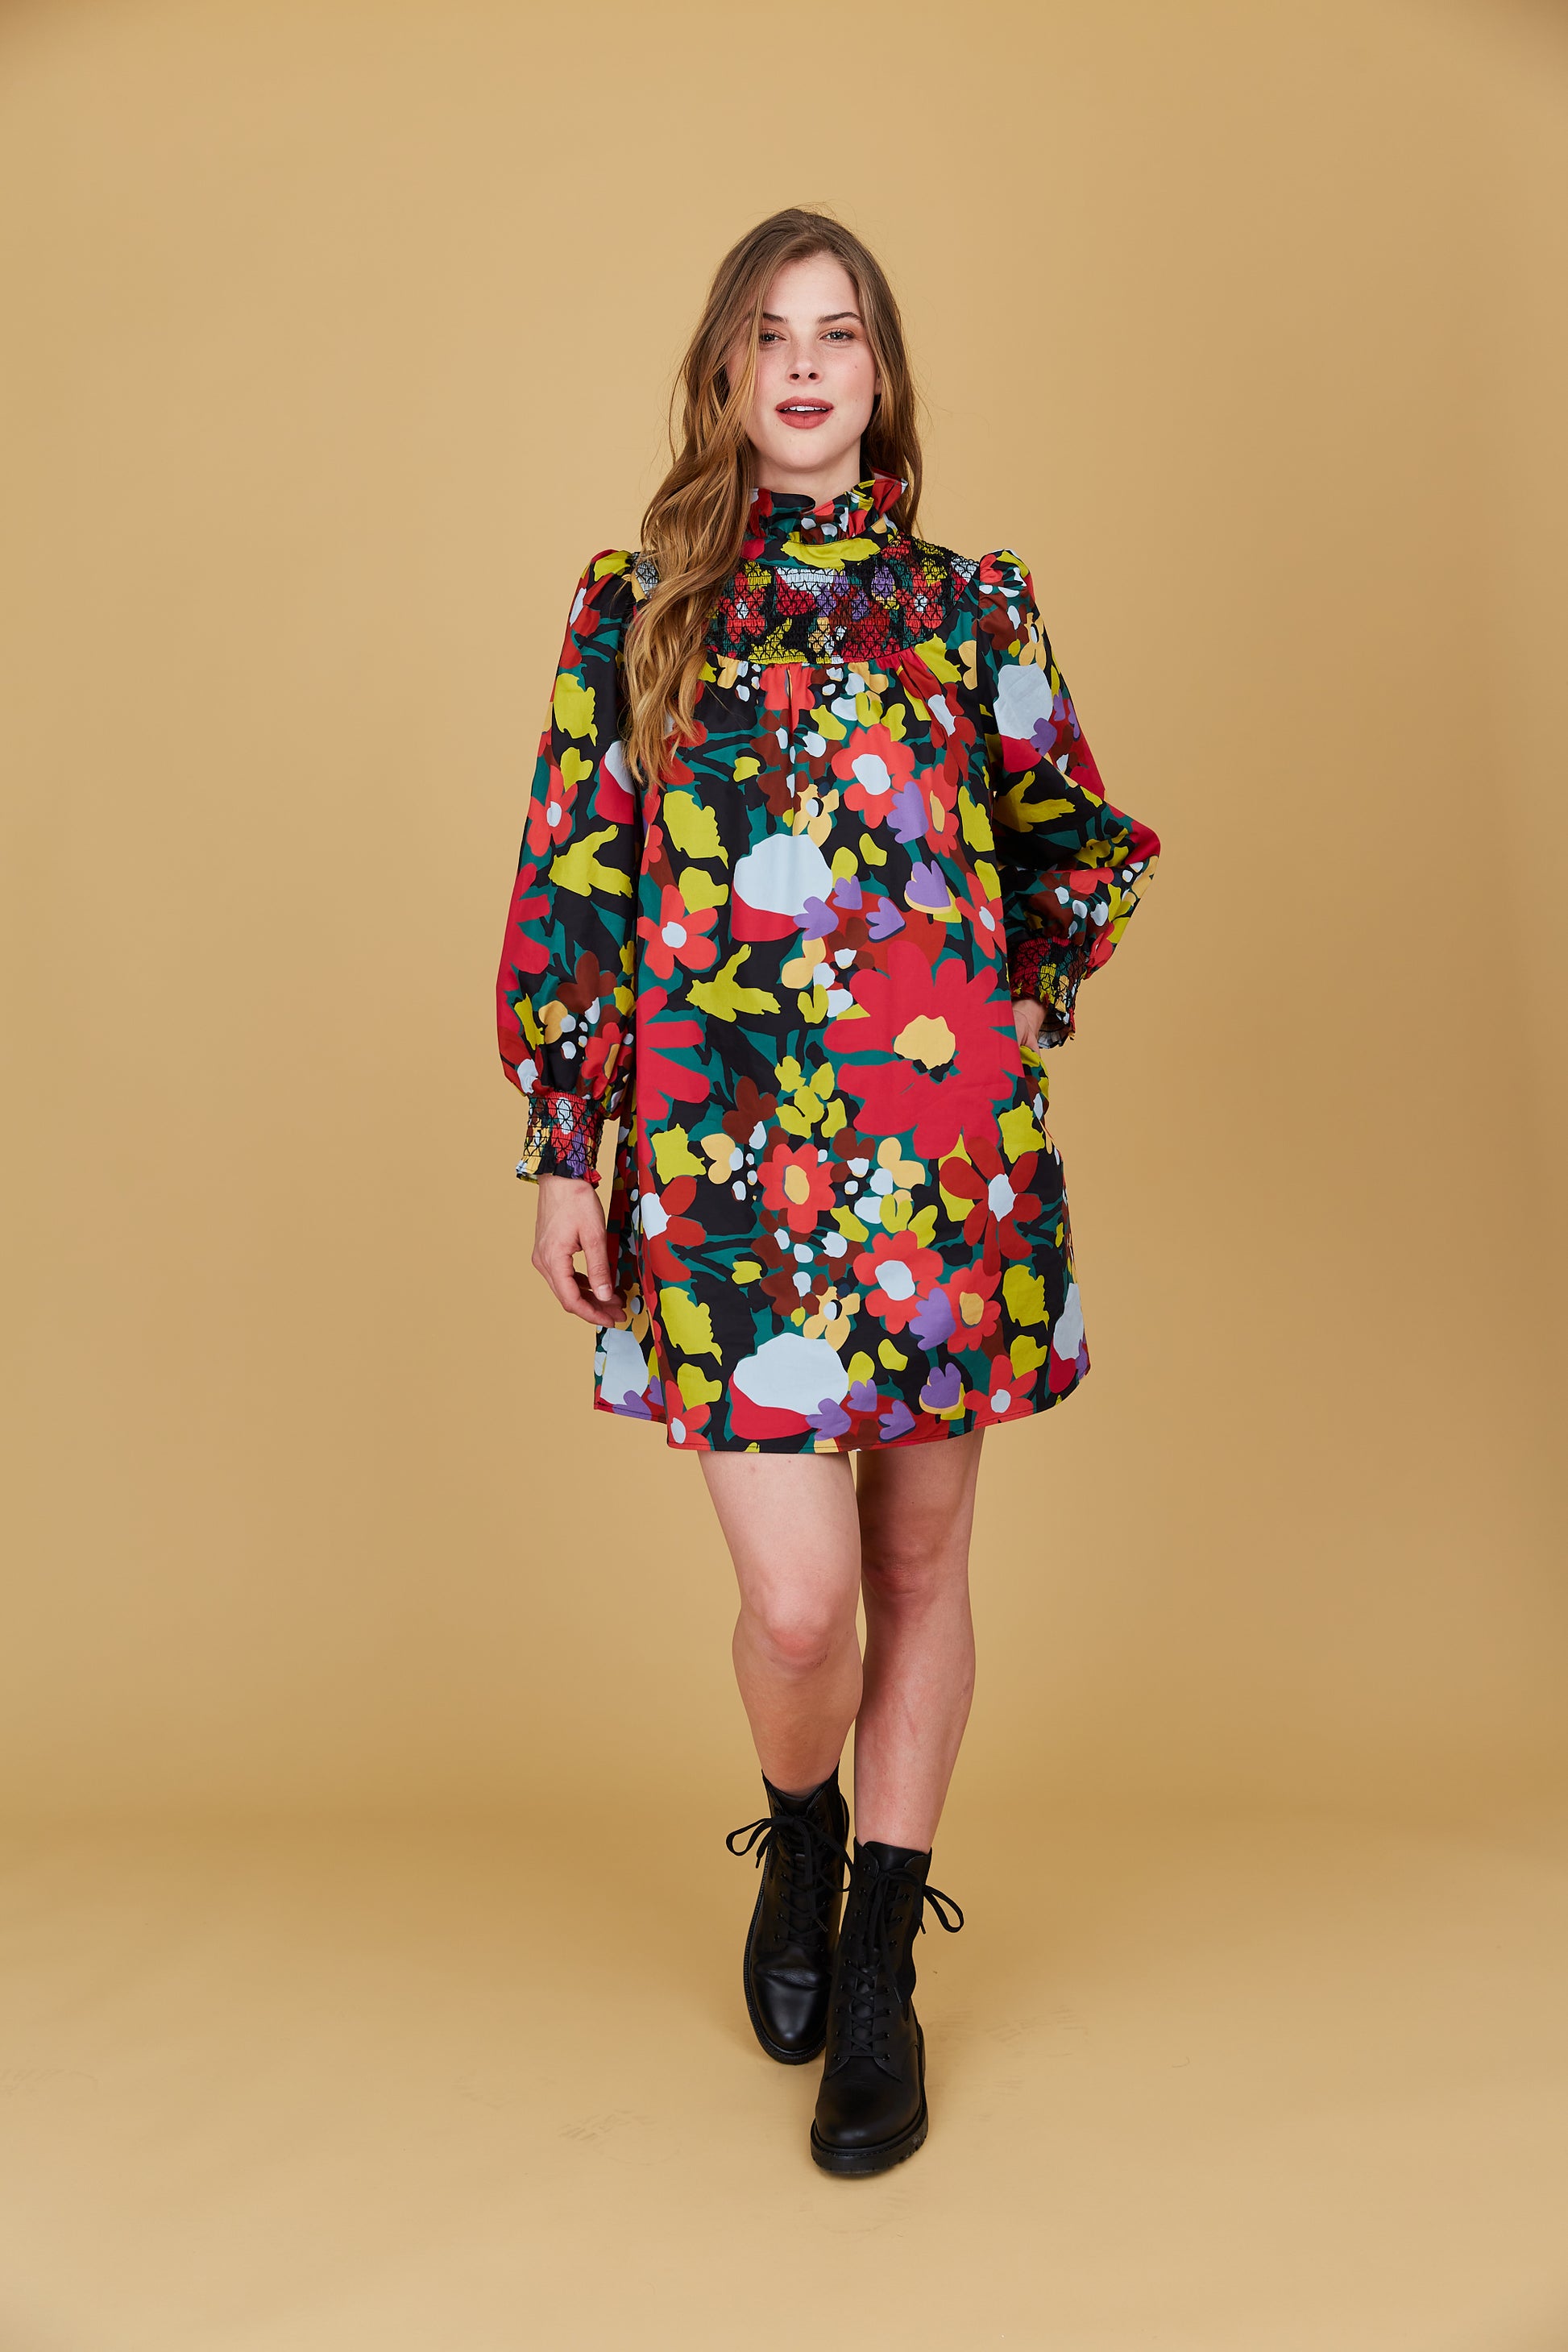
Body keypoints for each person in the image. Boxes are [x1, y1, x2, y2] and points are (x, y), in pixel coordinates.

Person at [495, 208, 1159, 2175]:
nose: (802, 364)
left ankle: (877, 1958)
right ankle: (797, 1835)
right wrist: (565, 1146)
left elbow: (1075, 843)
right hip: (718, 1168)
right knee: (797, 1611)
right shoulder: (633, 609)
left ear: (882, 375)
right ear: (724, 372)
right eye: (770, 333)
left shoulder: (971, 607)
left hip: (940, 1176)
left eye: (839, 332)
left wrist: (1005, 1003)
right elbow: (576, 885)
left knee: (916, 1574)